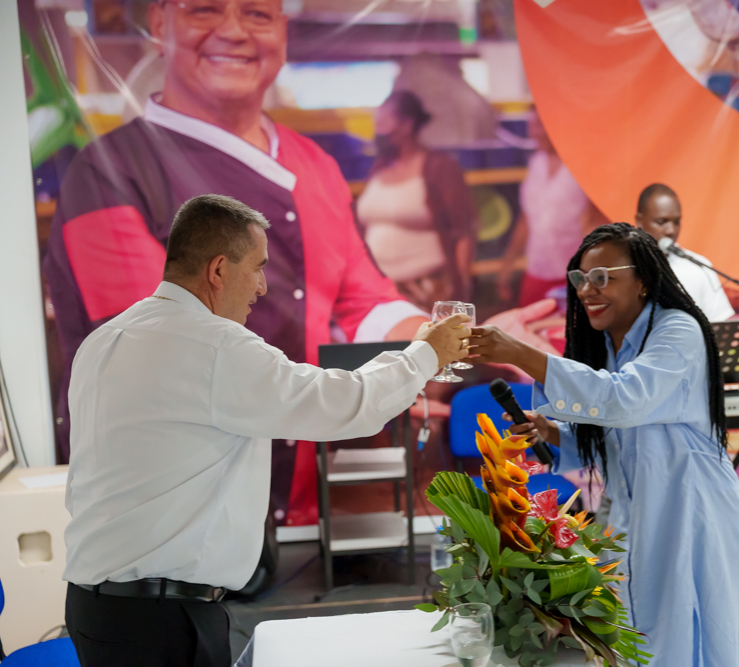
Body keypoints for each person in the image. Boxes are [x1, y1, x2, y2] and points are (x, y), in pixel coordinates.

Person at [43, 0, 427, 527]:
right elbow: (162, 350)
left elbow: (361, 300)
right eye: (204, 10)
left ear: (283, 33)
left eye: (257, 14)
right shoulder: (106, 175)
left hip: (302, 504)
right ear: (160, 24)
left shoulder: (314, 163)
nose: (233, 31)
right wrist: (377, 386)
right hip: (168, 510)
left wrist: (449, 339)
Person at [62, 195, 470, 667]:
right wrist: (424, 355)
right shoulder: (212, 344)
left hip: (99, 606)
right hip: (160, 620)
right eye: (257, 268)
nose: (261, 286)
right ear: (218, 270)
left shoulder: (107, 338)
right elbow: (342, 404)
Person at [471, 223, 739, 666]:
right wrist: (553, 432)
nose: (587, 290)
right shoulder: (607, 344)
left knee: (694, 629)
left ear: (642, 280)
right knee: (644, 631)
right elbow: (618, 437)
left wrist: (520, 351)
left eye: (602, 277)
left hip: (692, 507)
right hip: (639, 510)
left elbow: (625, 401)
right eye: (580, 279)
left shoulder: (677, 330)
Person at [356, 90, 477, 311]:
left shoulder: (439, 168)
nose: (377, 131)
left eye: (383, 123)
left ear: (406, 126)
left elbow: (463, 231)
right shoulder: (380, 168)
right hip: (380, 289)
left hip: (427, 289)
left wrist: (460, 290)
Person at [498, 108, 606, 307]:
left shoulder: (583, 167)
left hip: (574, 274)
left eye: (539, 125)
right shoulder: (536, 163)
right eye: (531, 126)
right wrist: (507, 265)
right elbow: (527, 218)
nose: (533, 134)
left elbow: (596, 224)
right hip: (536, 271)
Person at [635, 183, 735, 322]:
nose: (671, 230)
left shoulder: (699, 266)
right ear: (639, 220)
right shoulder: (624, 266)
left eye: (676, 222)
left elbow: (719, 325)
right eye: (661, 222)